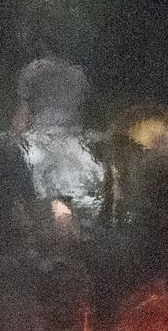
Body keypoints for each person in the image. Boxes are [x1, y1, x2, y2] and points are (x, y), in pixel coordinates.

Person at [12, 41, 104, 239]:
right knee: (64, 201)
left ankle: (52, 243)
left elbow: (22, 115)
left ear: (43, 45)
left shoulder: (32, 71)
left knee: (30, 195)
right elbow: (81, 112)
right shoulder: (78, 75)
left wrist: (14, 140)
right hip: (73, 146)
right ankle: (66, 243)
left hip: (41, 144)